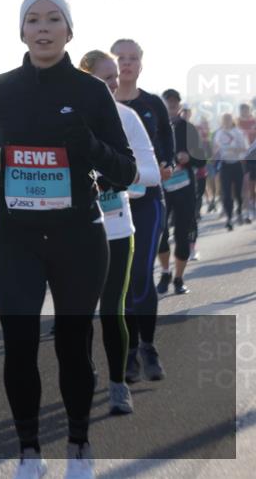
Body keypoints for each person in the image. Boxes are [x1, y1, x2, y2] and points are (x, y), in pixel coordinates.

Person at [0, 0, 136, 479]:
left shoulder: (90, 93)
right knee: (18, 344)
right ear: (21, 32)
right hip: (16, 237)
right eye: (32, 20)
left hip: (78, 236)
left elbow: (124, 171)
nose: (42, 29)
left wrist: (87, 145)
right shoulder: (0, 89)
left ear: (69, 32)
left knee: (72, 343)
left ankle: (80, 444)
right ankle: (28, 452)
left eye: (53, 20)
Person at [79, 50, 160, 415]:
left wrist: (119, 176)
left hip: (116, 227)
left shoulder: (126, 117)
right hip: (74, 230)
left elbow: (153, 173)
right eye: (105, 78)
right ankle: (86, 374)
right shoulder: (69, 117)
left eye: (115, 77)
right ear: (85, 79)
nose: (114, 83)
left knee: (113, 310)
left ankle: (117, 383)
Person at [111, 37, 173, 384]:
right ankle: (129, 350)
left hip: (147, 199)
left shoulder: (151, 105)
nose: (126, 64)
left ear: (140, 64)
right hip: (111, 204)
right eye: (120, 58)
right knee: (117, 281)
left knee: (139, 275)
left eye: (132, 58)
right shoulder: (95, 106)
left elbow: (166, 141)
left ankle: (147, 346)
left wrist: (163, 164)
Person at [156, 89, 204, 294]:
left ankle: (179, 278)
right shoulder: (154, 127)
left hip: (184, 187)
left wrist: (188, 158)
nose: (172, 106)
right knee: (161, 233)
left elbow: (202, 159)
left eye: (175, 103)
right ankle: (165, 272)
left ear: (179, 106)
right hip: (161, 188)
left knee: (183, 233)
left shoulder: (188, 128)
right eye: (168, 103)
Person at [212, 113, 248, 230]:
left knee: (238, 192)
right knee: (226, 193)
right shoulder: (219, 133)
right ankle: (229, 218)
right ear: (222, 121)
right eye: (224, 119)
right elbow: (215, 148)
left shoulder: (238, 132)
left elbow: (244, 148)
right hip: (224, 165)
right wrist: (215, 153)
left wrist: (234, 149)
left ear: (232, 120)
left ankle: (239, 211)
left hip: (237, 165)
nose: (226, 121)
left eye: (228, 119)